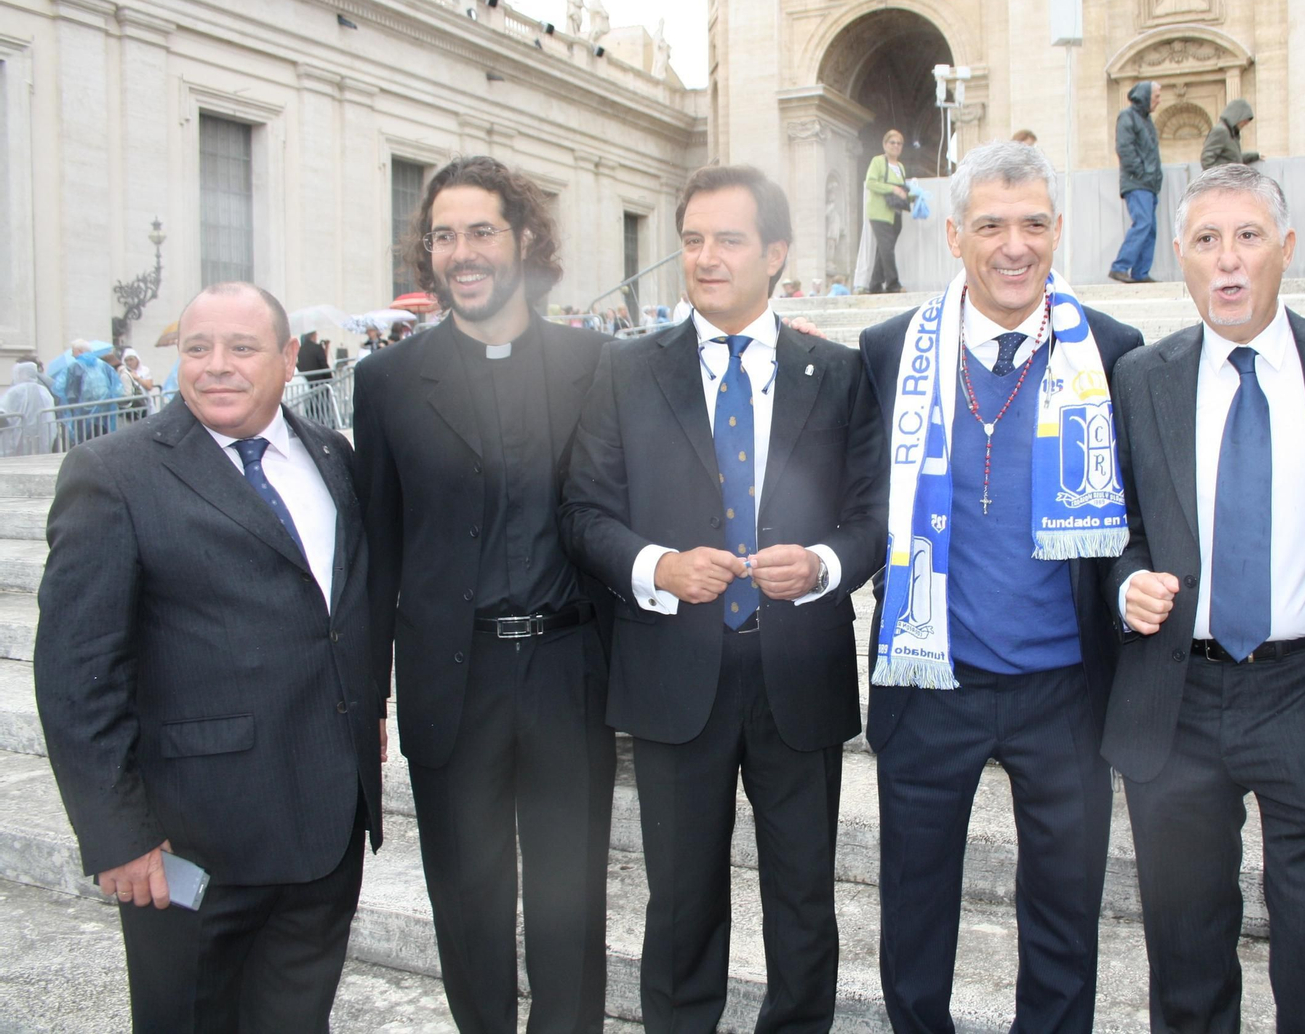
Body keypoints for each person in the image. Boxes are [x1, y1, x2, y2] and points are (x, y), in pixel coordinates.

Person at [561, 163, 886, 1031]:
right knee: (679, 907)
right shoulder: (625, 371)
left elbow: (873, 518)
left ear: (776, 253)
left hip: (799, 679)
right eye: (693, 240)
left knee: (805, 903)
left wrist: (820, 564)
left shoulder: (840, 372)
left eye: (729, 240)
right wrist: (656, 568)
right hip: (676, 681)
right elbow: (584, 514)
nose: (706, 258)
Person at [33, 281, 384, 1032]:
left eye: (242, 348)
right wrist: (118, 837)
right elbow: (75, 675)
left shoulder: (332, 457)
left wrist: (370, 710)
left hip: (325, 835)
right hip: (191, 849)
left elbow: (347, 610)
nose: (216, 366)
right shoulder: (113, 475)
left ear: (289, 359)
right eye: (197, 349)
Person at [859, 140, 1143, 1033]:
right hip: (927, 679)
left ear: (1057, 231)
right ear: (953, 234)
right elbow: (858, 500)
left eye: (1031, 224)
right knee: (913, 913)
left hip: (1065, 688)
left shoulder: (1116, 349)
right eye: (990, 224)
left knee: (1063, 919)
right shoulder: (888, 349)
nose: (1013, 245)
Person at [1106, 164, 1305, 1033]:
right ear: (1179, 255)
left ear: (1287, 249)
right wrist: (1127, 583)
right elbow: (1124, 524)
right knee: (1186, 953)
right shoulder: (1143, 376)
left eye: (1249, 236)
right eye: (1207, 241)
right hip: (1178, 695)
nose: (1228, 261)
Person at [353, 156, 614, 1034]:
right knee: (466, 898)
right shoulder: (386, 384)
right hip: (448, 676)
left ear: (523, 239)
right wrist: (367, 696)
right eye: (443, 235)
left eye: (481, 232)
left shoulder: (595, 365)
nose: (461, 252)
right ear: (427, 252)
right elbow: (375, 553)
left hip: (567, 671)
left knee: (570, 900)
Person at [1110, 80, 1163, 283]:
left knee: (1150, 228)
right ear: (1145, 96)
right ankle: (1120, 266)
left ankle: (1141, 272)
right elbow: (1125, 148)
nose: (1158, 101)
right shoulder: (1127, 116)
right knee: (1143, 223)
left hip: (1148, 184)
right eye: (1156, 96)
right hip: (1137, 182)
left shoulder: (1146, 120)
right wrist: (1141, 173)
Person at [865, 127, 910, 293]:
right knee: (886, 248)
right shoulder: (877, 162)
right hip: (879, 212)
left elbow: (901, 188)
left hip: (895, 213)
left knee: (883, 249)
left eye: (899, 143)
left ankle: (875, 285)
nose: (896, 146)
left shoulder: (901, 167)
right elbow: (870, 183)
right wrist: (892, 189)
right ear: (885, 144)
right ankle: (893, 283)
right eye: (892, 142)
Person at [0, 359, 56, 455]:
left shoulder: (14, 392)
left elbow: (2, 410)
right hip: (42, 436)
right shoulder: (43, 391)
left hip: (16, 437)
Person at [1200, 98, 1261, 170]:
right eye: (1245, 120)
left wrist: (1256, 156)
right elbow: (1206, 161)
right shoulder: (1221, 131)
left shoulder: (1231, 133)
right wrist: (1223, 177)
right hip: (1223, 180)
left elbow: (1234, 159)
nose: (1246, 123)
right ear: (1237, 116)